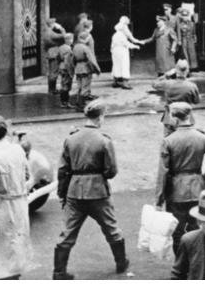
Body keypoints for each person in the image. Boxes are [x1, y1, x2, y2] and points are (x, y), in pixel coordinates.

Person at [54, 101, 128, 280]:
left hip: (74, 191)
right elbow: (111, 171)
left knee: (67, 232)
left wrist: (62, 193)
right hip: (98, 192)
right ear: (100, 117)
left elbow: (63, 170)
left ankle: (59, 271)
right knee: (111, 228)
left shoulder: (71, 139)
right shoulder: (104, 140)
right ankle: (121, 263)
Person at [155, 102, 205, 256]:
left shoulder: (169, 141)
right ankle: (197, 262)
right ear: (189, 116)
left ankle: (181, 265)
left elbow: (163, 173)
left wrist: (159, 200)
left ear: (174, 117)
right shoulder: (202, 137)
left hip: (176, 193)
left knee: (177, 232)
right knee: (197, 229)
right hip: (198, 190)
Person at [0, 116, 33, 280]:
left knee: (0, 248)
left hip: (1, 207)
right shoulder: (18, 150)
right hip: (20, 204)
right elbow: (27, 175)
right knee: (16, 243)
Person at [152, 60, 201, 136]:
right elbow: (197, 101)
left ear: (175, 70)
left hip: (170, 117)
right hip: (186, 117)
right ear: (187, 71)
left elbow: (154, 84)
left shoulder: (168, 83)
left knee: (169, 141)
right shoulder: (192, 86)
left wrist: (165, 75)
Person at [111, 16, 143, 89]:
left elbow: (112, 45)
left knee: (116, 65)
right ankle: (125, 83)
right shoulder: (122, 35)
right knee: (124, 65)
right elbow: (126, 43)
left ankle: (115, 81)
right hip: (122, 51)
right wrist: (135, 46)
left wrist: (112, 51)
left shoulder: (115, 35)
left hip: (115, 51)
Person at [72, 31, 100, 108]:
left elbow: (72, 59)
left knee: (80, 87)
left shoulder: (75, 47)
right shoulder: (85, 48)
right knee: (85, 87)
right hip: (85, 68)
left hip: (78, 68)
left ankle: (78, 103)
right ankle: (81, 105)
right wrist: (97, 70)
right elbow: (91, 60)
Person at [42, 18, 66, 94]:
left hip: (50, 52)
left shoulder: (46, 32)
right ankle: (52, 90)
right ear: (52, 24)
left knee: (52, 72)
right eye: (54, 23)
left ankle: (51, 89)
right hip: (54, 53)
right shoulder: (51, 33)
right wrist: (61, 28)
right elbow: (64, 36)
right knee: (54, 72)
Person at [57, 33, 75, 109]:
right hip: (66, 68)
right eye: (71, 39)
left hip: (61, 67)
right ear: (68, 40)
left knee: (63, 84)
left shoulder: (60, 47)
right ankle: (65, 102)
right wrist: (71, 72)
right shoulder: (68, 49)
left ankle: (63, 102)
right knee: (66, 86)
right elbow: (68, 62)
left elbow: (57, 58)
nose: (72, 40)